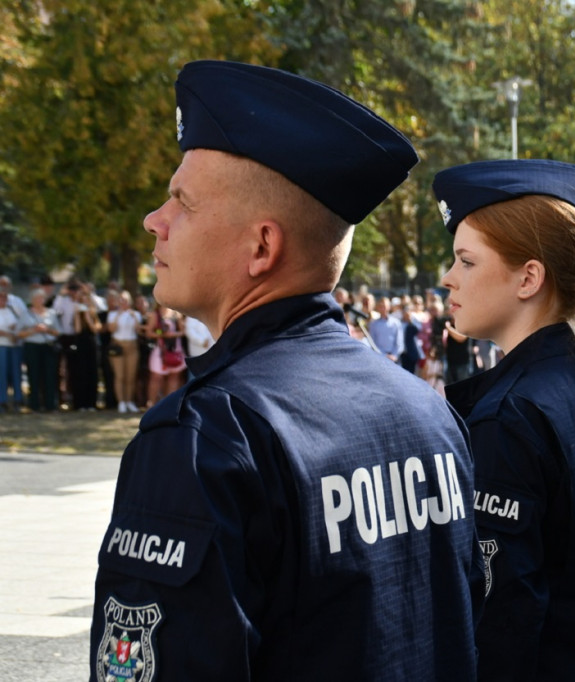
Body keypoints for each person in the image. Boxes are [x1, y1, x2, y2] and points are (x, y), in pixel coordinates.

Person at [90, 60, 477, 681]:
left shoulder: (207, 436)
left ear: (262, 248)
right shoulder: (428, 410)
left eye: (182, 201)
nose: (154, 220)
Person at [433, 158, 575, 679]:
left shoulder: (512, 414)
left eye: (466, 262)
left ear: (529, 278)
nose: (449, 279)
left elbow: (500, 629)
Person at [19, 289, 60, 412]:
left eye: (42, 298)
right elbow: (18, 333)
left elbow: (58, 331)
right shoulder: (26, 314)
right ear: (32, 300)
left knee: (49, 376)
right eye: (37, 298)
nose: (40, 301)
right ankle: (34, 405)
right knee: (33, 375)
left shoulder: (51, 313)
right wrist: (33, 330)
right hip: (32, 347)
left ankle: (50, 404)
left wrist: (47, 330)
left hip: (47, 347)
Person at [143, 302, 187, 406]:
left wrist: (173, 335)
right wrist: (161, 334)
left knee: (174, 377)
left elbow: (183, 331)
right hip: (160, 351)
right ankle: (152, 405)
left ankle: (169, 406)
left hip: (175, 350)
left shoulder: (177, 314)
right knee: (156, 377)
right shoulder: (155, 314)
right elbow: (149, 332)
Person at [106, 291, 142, 413]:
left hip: (132, 346)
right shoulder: (112, 314)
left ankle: (129, 401)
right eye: (121, 300)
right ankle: (121, 402)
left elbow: (138, 330)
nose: (124, 302)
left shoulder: (135, 314)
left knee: (130, 376)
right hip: (118, 346)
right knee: (120, 375)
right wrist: (118, 315)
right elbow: (111, 329)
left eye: (126, 300)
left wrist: (134, 317)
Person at [0, 290, 25, 412]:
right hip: (1, 346)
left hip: (15, 346)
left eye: (4, 298)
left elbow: (20, 324)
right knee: (2, 374)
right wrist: (7, 333)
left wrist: (15, 332)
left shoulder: (12, 310)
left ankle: (18, 400)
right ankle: (2, 401)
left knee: (16, 373)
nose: (3, 301)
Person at [368, 295, 403, 361]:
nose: (383, 308)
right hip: (379, 358)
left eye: (384, 306)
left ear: (389, 307)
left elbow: (399, 342)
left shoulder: (396, 323)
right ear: (378, 308)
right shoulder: (373, 324)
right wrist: (383, 355)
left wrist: (394, 355)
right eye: (381, 306)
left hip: (394, 359)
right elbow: (372, 343)